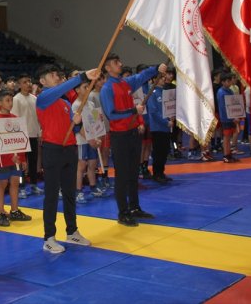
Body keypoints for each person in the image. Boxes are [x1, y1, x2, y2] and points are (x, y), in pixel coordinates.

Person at [36, 64, 97, 253]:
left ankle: (72, 231)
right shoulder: (43, 98)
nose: (56, 76)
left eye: (57, 74)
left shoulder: (65, 103)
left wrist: (76, 123)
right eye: (52, 74)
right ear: (42, 81)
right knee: (52, 195)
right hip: (53, 149)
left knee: (70, 192)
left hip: (69, 148)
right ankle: (49, 237)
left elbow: (74, 128)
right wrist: (82, 77)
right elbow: (62, 88)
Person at [100, 54, 159, 227]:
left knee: (133, 172)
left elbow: (141, 76)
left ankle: (134, 207)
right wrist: (134, 111)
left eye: (119, 61)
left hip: (132, 132)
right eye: (116, 63)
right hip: (120, 136)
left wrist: (156, 68)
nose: (121, 64)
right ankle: (123, 212)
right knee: (122, 175)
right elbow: (111, 114)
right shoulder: (107, 89)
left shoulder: (125, 83)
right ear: (108, 68)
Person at [0, 90, 32, 226]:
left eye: (11, 100)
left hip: (17, 159)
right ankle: (1, 212)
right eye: (7, 100)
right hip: (3, 159)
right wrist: (9, 155)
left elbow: (22, 140)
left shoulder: (15, 118)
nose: (10, 103)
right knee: (2, 184)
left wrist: (23, 158)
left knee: (15, 183)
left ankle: (14, 210)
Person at [72, 80, 105, 202]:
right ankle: (78, 191)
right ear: (77, 90)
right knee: (81, 166)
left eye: (88, 87)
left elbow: (96, 123)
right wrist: (90, 139)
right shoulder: (76, 105)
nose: (88, 89)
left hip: (92, 139)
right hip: (82, 140)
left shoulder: (90, 104)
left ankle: (93, 186)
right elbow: (78, 127)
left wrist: (98, 137)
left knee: (92, 164)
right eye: (85, 87)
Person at [11, 73, 43, 196]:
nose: (28, 84)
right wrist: (18, 135)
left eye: (29, 81)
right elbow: (15, 119)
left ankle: (34, 185)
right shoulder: (16, 99)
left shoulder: (34, 98)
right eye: (24, 82)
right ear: (19, 84)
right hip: (22, 136)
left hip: (34, 133)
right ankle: (21, 187)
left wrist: (40, 132)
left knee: (33, 161)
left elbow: (38, 117)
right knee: (21, 164)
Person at [146, 73, 174, 184]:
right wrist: (165, 122)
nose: (164, 79)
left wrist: (171, 117)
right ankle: (156, 173)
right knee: (158, 151)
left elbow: (168, 108)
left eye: (163, 77)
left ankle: (161, 172)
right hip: (158, 127)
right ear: (154, 79)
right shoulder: (152, 93)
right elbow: (153, 112)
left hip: (166, 126)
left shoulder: (164, 92)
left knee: (164, 150)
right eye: (161, 78)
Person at [217, 72, 240, 163]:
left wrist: (236, 115)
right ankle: (226, 155)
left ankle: (229, 154)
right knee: (226, 137)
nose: (230, 83)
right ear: (223, 82)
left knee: (229, 136)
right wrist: (232, 117)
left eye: (230, 81)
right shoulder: (221, 92)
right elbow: (223, 107)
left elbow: (233, 104)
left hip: (231, 116)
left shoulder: (229, 91)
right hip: (226, 118)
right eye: (228, 81)